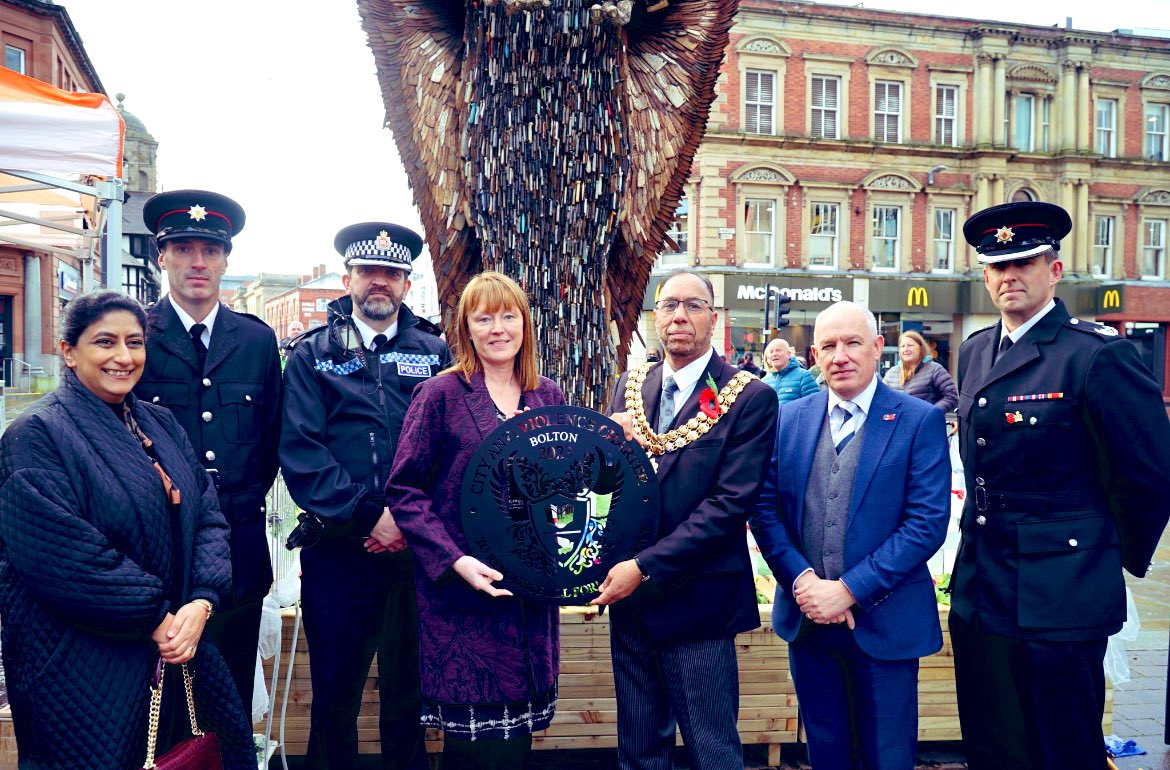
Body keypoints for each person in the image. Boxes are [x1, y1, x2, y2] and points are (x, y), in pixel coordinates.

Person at [951, 201, 1170, 770]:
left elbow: (1148, 474)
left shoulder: (1096, 354)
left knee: (1062, 747)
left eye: (1024, 262)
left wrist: (1102, 557)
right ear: (984, 276)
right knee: (995, 741)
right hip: (984, 584)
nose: (1010, 277)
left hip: (1061, 592)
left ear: (1054, 269)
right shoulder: (974, 350)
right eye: (998, 267)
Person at [0, 291, 254, 770]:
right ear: (69, 351)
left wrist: (202, 602)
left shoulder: (158, 422)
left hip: (175, 646)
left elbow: (208, 516)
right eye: (105, 342)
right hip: (81, 664)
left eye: (134, 343)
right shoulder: (37, 435)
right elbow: (63, 556)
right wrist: (158, 618)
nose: (123, 356)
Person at [750, 301, 950, 770]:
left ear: (878, 348)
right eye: (829, 345)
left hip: (886, 626)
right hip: (809, 627)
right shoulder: (790, 418)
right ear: (815, 355)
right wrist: (803, 582)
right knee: (827, 753)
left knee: (887, 757)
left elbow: (926, 524)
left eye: (853, 342)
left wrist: (847, 590)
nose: (840, 355)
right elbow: (764, 508)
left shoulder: (918, 419)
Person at [591, 268, 778, 770]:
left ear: (713, 319)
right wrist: (605, 444)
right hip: (631, 603)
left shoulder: (748, 397)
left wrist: (645, 566)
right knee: (640, 749)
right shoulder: (629, 388)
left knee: (711, 750)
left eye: (693, 306)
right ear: (655, 317)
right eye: (669, 305)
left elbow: (727, 505)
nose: (679, 316)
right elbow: (605, 490)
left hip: (698, 600)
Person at [280, 222, 450, 770]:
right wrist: (367, 516)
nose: (380, 283)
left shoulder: (435, 350)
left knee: (408, 697)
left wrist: (406, 523)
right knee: (335, 696)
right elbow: (302, 450)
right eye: (368, 272)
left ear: (405, 283)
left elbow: (450, 446)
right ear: (349, 278)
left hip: (415, 553)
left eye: (392, 274)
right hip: (338, 551)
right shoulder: (312, 355)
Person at [385, 271, 564, 770]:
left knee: (515, 751)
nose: (497, 328)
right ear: (466, 328)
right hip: (464, 600)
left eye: (508, 316)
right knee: (472, 753)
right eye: (483, 318)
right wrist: (453, 560)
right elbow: (403, 489)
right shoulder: (440, 395)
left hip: (528, 598)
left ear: (525, 325)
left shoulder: (545, 395)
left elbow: (560, 480)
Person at [134, 189, 282, 720]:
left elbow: (268, 446)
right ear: (162, 255)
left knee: (231, 698)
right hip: (158, 551)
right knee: (159, 700)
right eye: (184, 248)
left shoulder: (256, 341)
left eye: (210, 250)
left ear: (226, 260)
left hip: (238, 554)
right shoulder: (136, 338)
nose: (198, 262)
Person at [880, 330, 958, 412]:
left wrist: (931, 413)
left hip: (925, 424)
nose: (906, 349)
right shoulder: (892, 372)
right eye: (902, 346)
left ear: (920, 348)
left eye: (910, 345)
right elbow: (880, 398)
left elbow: (951, 397)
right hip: (898, 424)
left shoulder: (935, 369)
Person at [762, 337, 818, 405]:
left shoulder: (804, 376)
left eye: (778, 350)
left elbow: (815, 405)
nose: (774, 354)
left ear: (788, 354)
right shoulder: (764, 382)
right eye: (771, 352)